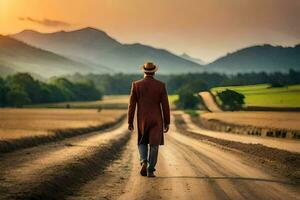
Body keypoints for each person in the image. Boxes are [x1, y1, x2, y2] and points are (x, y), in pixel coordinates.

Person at [127, 62, 170, 177]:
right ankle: (150, 170)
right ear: (154, 72)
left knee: (142, 141)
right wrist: (167, 122)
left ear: (144, 71)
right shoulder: (161, 85)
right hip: (156, 119)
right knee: (154, 144)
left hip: (142, 119)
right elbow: (165, 106)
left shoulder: (136, 85)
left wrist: (130, 121)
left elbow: (132, 105)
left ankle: (144, 161)